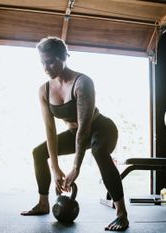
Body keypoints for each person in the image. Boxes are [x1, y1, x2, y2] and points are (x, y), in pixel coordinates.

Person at [21, 36, 129, 231]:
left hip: (101, 129)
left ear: (64, 57)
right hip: (74, 133)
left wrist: (75, 168)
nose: (46, 67)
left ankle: (121, 213)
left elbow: (84, 129)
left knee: (98, 151)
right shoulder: (44, 90)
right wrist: (55, 168)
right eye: (43, 62)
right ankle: (43, 203)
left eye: (52, 60)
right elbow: (50, 130)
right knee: (38, 152)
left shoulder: (82, 83)